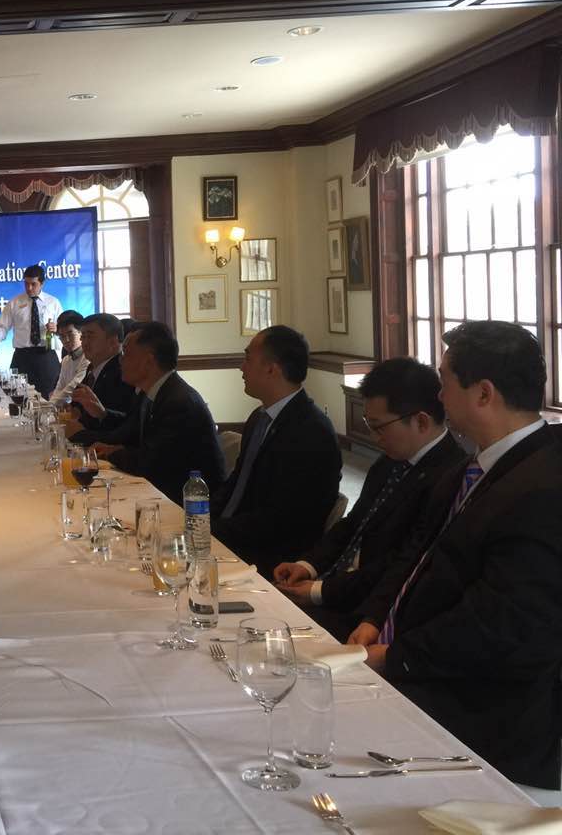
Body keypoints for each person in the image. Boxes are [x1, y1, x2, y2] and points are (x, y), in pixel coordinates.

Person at [351, 322, 562, 791]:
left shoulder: (543, 486)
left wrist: (395, 658)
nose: (438, 396)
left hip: (482, 705)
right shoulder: (471, 466)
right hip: (420, 659)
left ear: (483, 394)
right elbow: (416, 557)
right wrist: (375, 617)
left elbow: (501, 623)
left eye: (445, 382)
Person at [272, 358, 466, 640]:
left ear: (421, 421)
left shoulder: (449, 476)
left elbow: (398, 563)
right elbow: (353, 523)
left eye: (379, 426)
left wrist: (320, 591)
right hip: (336, 585)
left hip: (368, 611)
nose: (374, 437)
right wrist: (307, 565)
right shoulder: (390, 460)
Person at [209, 325, 341, 579]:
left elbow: (283, 518)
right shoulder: (259, 418)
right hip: (233, 537)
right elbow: (237, 483)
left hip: (270, 557)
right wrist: (199, 518)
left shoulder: (311, 431)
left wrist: (214, 531)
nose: (241, 368)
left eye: (248, 359)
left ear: (272, 369)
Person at [95, 322, 225, 499]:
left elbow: (150, 464)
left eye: (126, 353)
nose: (120, 360)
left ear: (148, 361)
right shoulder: (153, 393)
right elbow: (136, 440)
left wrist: (111, 453)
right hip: (163, 489)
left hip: (191, 501)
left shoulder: (179, 402)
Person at [0, 263, 63, 396]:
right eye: (26, 284)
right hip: (22, 357)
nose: (29, 288)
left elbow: (63, 327)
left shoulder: (53, 303)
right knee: (18, 396)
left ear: (42, 283)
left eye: (33, 284)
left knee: (51, 396)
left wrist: (57, 328)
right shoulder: (14, 303)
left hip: (46, 355)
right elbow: (2, 327)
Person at [68, 313, 137, 444]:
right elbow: (79, 407)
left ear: (113, 341)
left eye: (90, 336)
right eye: (83, 337)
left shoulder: (123, 372)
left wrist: (81, 433)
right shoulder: (93, 367)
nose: (84, 343)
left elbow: (125, 425)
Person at [47, 309, 88, 405]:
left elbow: (72, 387)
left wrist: (50, 405)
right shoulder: (66, 360)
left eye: (70, 334)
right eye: (62, 336)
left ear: (81, 332)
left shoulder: (88, 357)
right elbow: (59, 388)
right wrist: (50, 405)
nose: (66, 340)